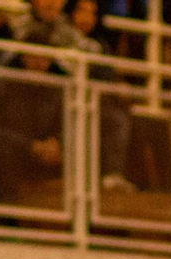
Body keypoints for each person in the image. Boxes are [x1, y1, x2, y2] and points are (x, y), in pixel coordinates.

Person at [0, 20, 69, 204]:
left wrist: (57, 144)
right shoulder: (2, 82)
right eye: (33, 55)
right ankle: (6, 217)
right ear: (23, 56)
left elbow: (66, 126)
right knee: (2, 153)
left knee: (79, 152)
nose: (38, 62)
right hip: (10, 155)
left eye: (44, 57)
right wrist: (30, 146)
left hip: (45, 159)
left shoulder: (57, 89)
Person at [68, 0, 136, 193]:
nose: (87, 18)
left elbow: (107, 75)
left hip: (92, 100)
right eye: (82, 11)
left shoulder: (99, 44)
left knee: (120, 115)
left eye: (92, 14)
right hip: (60, 98)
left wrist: (117, 85)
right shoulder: (59, 33)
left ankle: (112, 175)